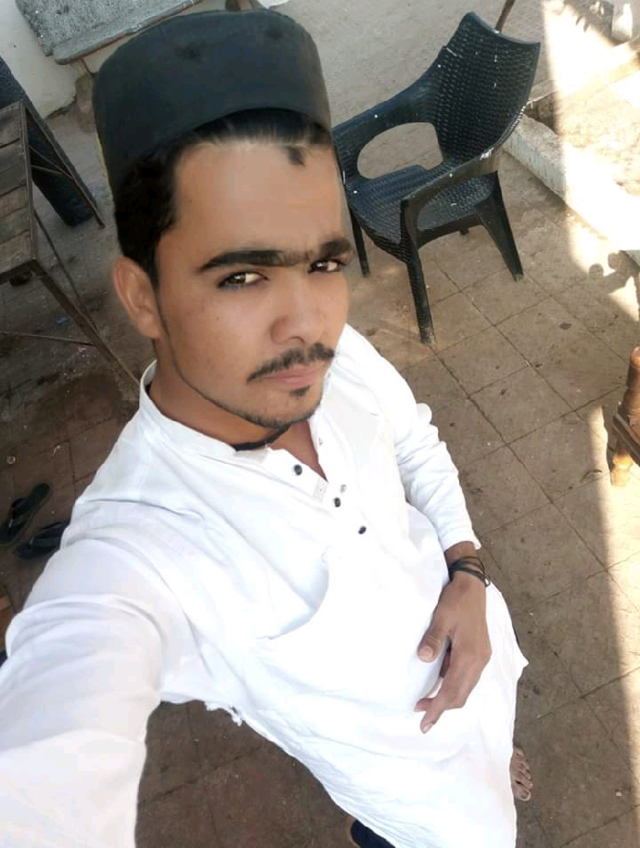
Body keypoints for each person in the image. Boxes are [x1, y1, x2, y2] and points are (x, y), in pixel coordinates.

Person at [0, 10, 532, 848]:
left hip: (483, 653)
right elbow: (57, 731)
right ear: (142, 297)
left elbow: (416, 440)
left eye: (323, 262)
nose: (307, 323)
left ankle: (498, 752)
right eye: (243, 275)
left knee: (495, 739)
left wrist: (467, 566)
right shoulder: (142, 545)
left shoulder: (339, 355)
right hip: (417, 805)